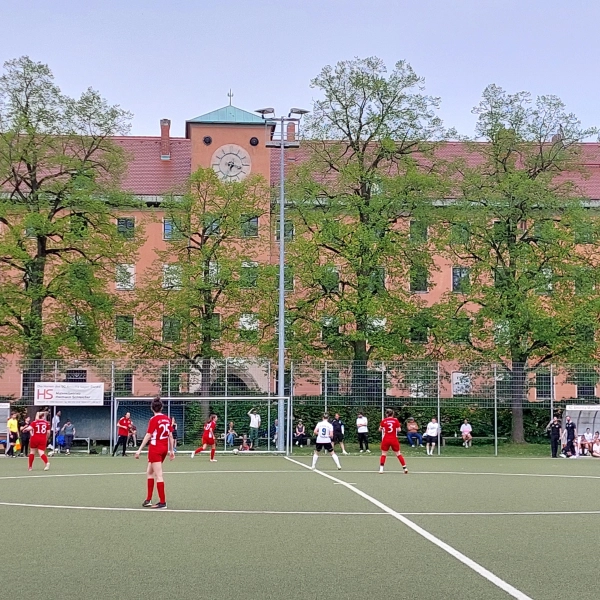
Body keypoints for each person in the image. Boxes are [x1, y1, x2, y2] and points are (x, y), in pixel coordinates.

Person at [135, 396, 174, 509]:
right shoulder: (167, 419)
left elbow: (149, 435)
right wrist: (171, 450)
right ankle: (148, 499)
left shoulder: (153, 419)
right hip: (163, 448)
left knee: (159, 475)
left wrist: (139, 449)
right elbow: (171, 435)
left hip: (155, 449)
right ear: (161, 407)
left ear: (152, 408)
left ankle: (163, 502)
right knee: (149, 472)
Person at [378, 409, 409, 474]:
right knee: (398, 454)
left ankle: (381, 469)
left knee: (383, 454)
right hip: (394, 439)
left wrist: (382, 428)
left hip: (386, 439)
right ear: (393, 414)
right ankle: (405, 468)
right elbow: (399, 430)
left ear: (386, 414)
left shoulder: (384, 421)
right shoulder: (395, 420)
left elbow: (380, 429)